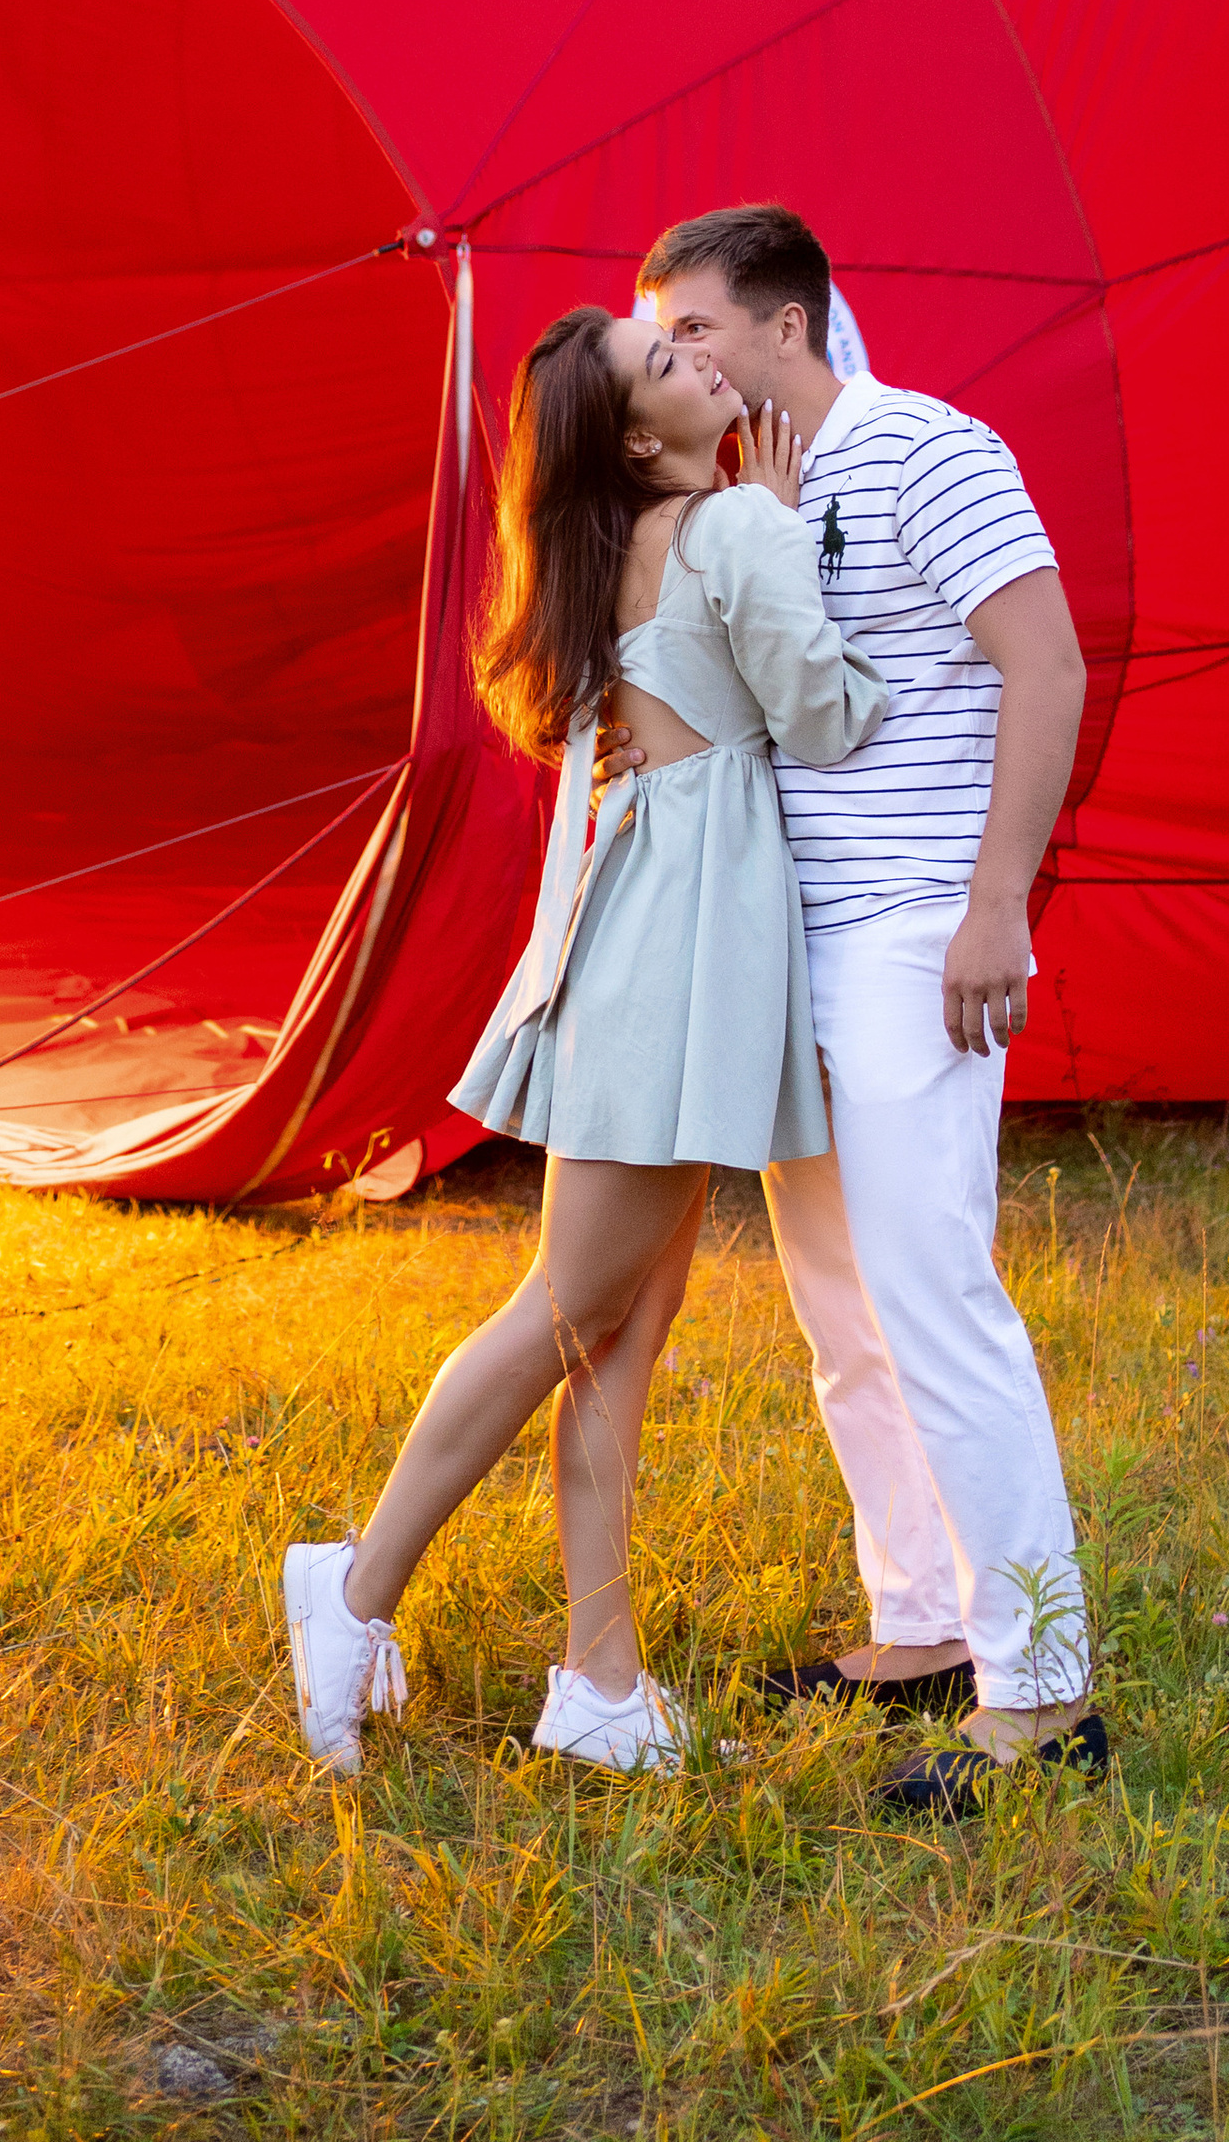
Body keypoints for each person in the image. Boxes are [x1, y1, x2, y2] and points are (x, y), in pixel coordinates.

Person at [281, 302, 886, 1777]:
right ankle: (349, 1590)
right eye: (664, 363)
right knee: (565, 1313)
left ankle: (599, 1685)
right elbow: (834, 718)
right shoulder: (733, 529)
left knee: (617, 1337)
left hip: (652, 949)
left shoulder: (625, 548)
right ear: (635, 434)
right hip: (678, 965)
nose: (697, 361)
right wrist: (803, 543)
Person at [635, 203, 1104, 1813]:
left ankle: (1045, 1698)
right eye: (661, 333)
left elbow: (1045, 669)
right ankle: (920, 1625)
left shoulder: (929, 448)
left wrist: (996, 908)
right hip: (795, 946)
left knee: (934, 1297)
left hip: (918, 935)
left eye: (692, 326)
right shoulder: (747, 487)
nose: (675, 356)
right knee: (840, 1314)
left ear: (786, 325)